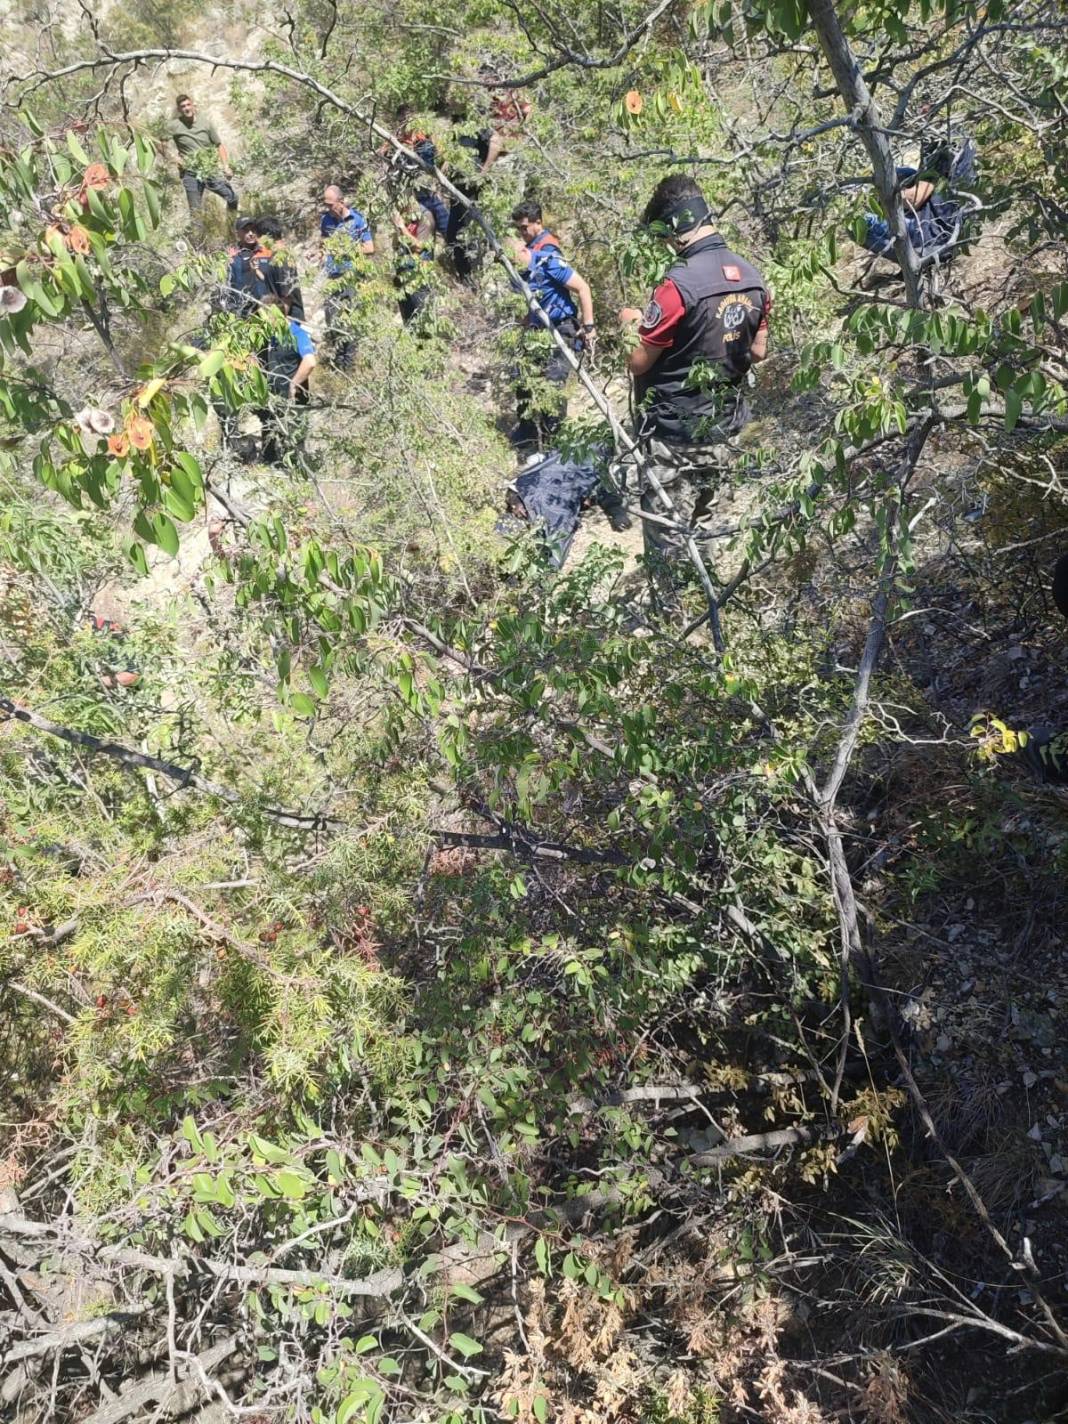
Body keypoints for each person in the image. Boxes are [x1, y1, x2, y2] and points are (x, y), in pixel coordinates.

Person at [619, 173, 770, 604]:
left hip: (672, 434)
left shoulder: (676, 287)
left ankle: (672, 615)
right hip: (725, 428)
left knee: (667, 531)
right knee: (708, 524)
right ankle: (709, 604)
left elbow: (637, 361)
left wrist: (630, 325)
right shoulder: (753, 276)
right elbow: (758, 352)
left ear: (674, 229)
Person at [509, 201, 595, 453]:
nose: (522, 233)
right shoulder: (529, 253)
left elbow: (583, 288)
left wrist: (589, 327)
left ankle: (555, 446)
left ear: (538, 223)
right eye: (519, 229)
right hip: (539, 330)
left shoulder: (548, 255)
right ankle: (527, 433)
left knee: (553, 386)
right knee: (522, 376)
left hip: (562, 328)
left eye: (525, 228)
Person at [504, 447, 630, 566]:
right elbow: (606, 494)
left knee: (513, 531)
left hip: (530, 491)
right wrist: (618, 514)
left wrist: (618, 514)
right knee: (555, 542)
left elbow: (533, 466)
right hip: (546, 500)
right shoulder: (596, 470)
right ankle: (540, 575)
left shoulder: (568, 451)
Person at [259, 294, 317, 467]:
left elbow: (310, 361)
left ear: (276, 315)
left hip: (293, 400)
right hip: (272, 397)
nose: (261, 320)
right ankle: (269, 463)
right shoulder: (268, 335)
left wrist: (294, 384)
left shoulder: (297, 333)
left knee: (294, 441)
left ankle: (296, 471)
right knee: (269, 432)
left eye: (264, 316)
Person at [319, 185, 373, 370]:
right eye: (326, 205)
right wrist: (319, 253)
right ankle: (338, 360)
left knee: (349, 319)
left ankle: (348, 364)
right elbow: (324, 243)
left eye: (330, 204)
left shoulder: (357, 219)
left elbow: (369, 247)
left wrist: (347, 249)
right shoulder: (326, 220)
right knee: (331, 317)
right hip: (333, 277)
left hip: (351, 277)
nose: (328, 208)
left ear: (341, 202)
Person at [168, 95, 238, 215]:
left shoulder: (205, 123)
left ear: (193, 105)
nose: (186, 108)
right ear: (179, 109)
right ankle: (198, 228)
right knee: (196, 212)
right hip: (190, 173)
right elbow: (160, 143)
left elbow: (219, 145)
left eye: (188, 105)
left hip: (209, 169)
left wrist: (226, 166)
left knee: (232, 198)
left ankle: (231, 223)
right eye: (183, 106)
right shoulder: (174, 126)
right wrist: (174, 158)